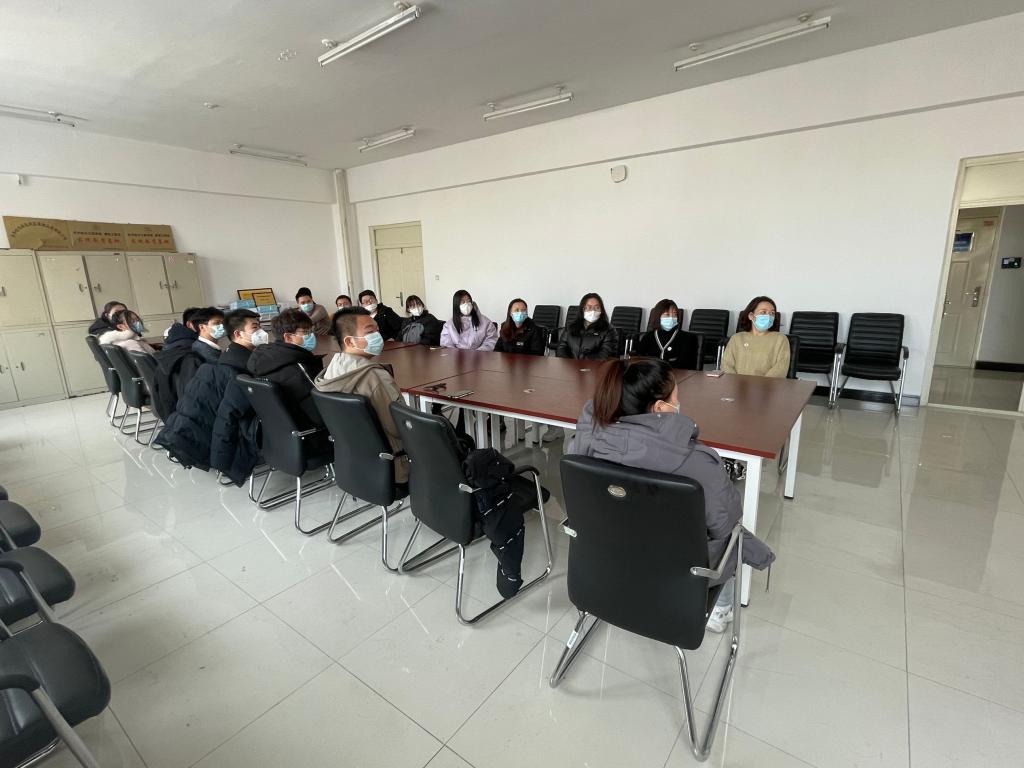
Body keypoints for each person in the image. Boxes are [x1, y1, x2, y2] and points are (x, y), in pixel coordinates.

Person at [568, 357, 775, 633]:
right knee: (732, 536)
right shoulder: (697, 462)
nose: (679, 403)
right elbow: (726, 522)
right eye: (676, 397)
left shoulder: (583, 440)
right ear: (659, 408)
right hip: (673, 573)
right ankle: (720, 612)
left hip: (607, 559)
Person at [155, 310, 265, 483]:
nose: (262, 332)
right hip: (242, 432)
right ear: (238, 334)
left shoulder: (227, 356)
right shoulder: (239, 367)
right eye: (255, 327)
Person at [314, 307, 409, 481]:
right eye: (370, 332)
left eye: (377, 330)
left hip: (353, 463)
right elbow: (399, 427)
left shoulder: (330, 371)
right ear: (350, 341)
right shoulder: (375, 377)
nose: (377, 336)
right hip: (393, 466)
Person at [247, 307, 324, 428]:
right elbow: (322, 412)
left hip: (280, 429)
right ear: (288, 337)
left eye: (311, 331)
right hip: (310, 430)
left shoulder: (265, 359)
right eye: (306, 332)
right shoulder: (298, 367)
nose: (312, 335)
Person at [721, 296, 790, 377]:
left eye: (772, 313)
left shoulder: (780, 339)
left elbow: (780, 369)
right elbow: (726, 365)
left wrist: (761, 383)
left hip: (767, 384)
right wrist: (736, 382)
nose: (769, 316)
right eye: (763, 312)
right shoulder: (737, 338)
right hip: (736, 383)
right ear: (751, 316)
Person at [153, 307, 204, 416]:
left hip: (172, 410)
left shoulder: (173, 343)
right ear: (190, 325)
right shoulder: (192, 351)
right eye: (203, 324)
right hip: (189, 411)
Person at [635, 299, 701, 369]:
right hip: (652, 374)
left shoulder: (687, 338)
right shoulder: (648, 336)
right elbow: (639, 360)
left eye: (675, 314)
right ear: (658, 317)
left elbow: (686, 365)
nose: (671, 318)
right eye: (667, 315)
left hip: (677, 374)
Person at [556, 293, 619, 360]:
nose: (593, 311)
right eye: (589, 307)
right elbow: (561, 348)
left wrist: (582, 364)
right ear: (583, 309)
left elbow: (604, 355)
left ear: (601, 310)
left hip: (594, 366)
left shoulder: (609, 330)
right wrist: (568, 363)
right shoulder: (571, 327)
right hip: (570, 365)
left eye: (597, 307)